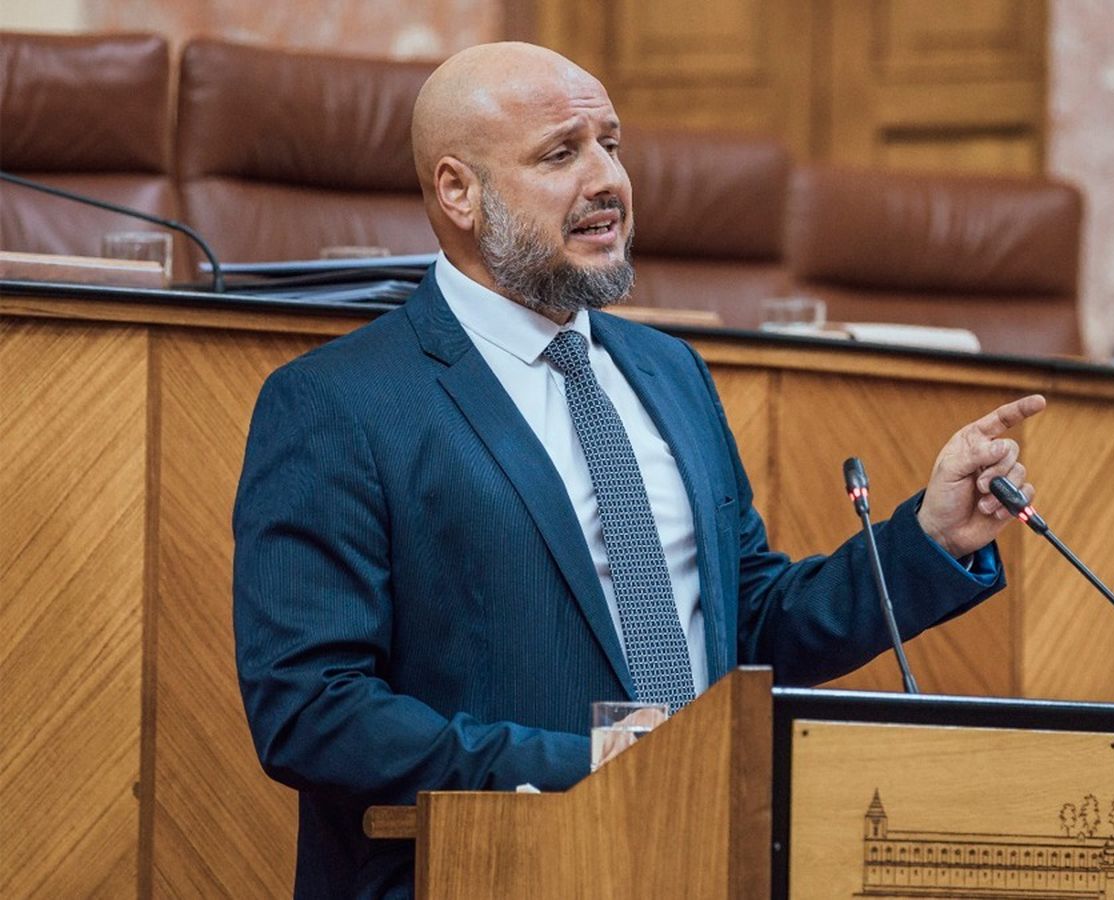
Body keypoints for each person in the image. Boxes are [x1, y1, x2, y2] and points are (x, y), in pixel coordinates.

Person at [232, 41, 1043, 898]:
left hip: (703, 860)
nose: (607, 180)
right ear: (457, 191)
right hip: (478, 869)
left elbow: (749, 623)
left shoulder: (669, 373)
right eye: (561, 153)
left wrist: (927, 539)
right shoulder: (337, 404)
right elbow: (312, 710)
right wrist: (594, 766)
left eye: (611, 145)